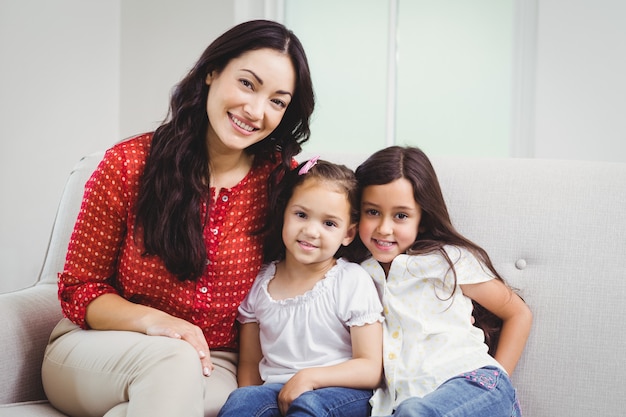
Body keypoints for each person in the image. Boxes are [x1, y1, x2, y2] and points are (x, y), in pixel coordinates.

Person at [41, 19, 315, 417]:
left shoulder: (279, 181)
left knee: (163, 394)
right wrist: (157, 323)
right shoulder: (129, 165)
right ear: (212, 72)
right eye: (247, 84)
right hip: (100, 347)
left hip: (212, 362)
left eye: (277, 100)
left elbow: (333, 240)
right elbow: (79, 289)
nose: (255, 110)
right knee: (171, 365)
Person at [353, 146, 533, 417]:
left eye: (401, 215)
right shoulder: (357, 275)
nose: (384, 228)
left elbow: (518, 312)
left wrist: (500, 380)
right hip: (407, 403)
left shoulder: (445, 260)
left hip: (474, 384)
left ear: (422, 220)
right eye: (372, 212)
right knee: (411, 410)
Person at [217, 158, 384, 417]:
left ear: (348, 234)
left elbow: (371, 368)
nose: (310, 230)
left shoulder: (351, 280)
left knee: (309, 407)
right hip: (275, 389)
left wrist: (310, 378)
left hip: (340, 391)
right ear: (284, 213)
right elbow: (249, 365)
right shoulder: (260, 283)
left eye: (329, 223)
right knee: (243, 401)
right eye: (301, 215)